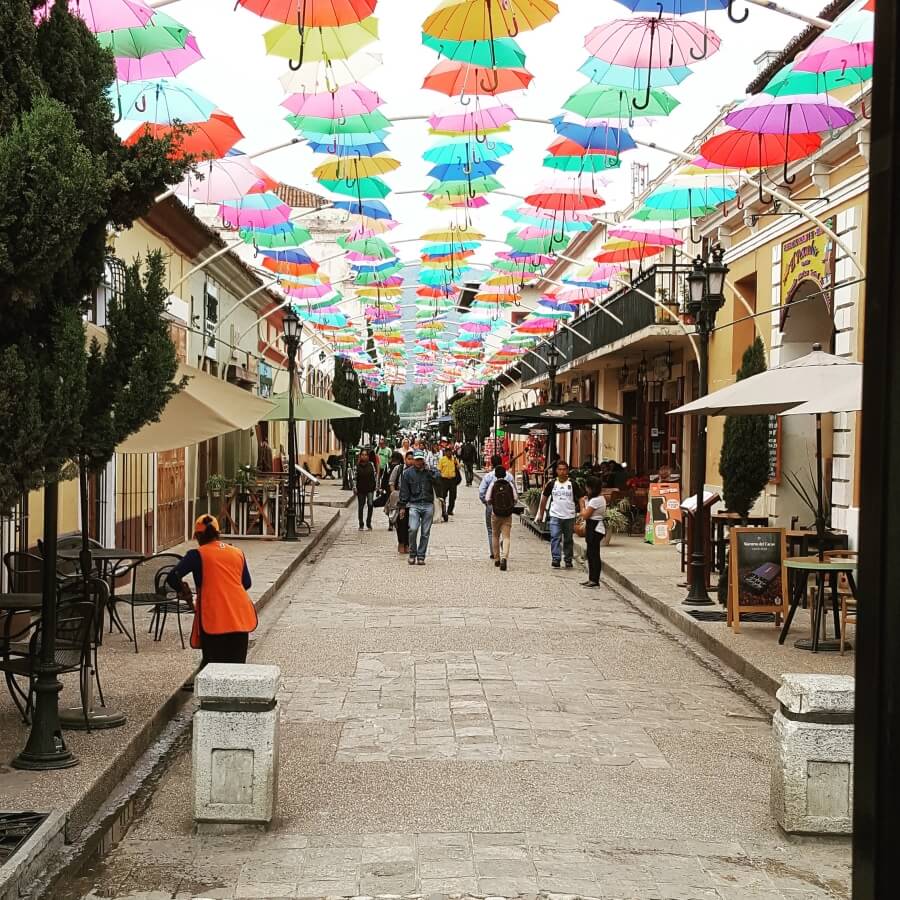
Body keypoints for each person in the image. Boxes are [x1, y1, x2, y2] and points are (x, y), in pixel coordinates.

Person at [166, 515, 257, 666]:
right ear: (218, 533)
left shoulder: (196, 555)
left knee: (214, 667)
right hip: (240, 616)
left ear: (197, 536)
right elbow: (246, 583)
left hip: (214, 618)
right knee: (237, 668)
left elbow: (172, 577)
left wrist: (183, 590)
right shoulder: (237, 552)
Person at [537, 460, 584, 569]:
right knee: (555, 537)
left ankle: (568, 559)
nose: (562, 472)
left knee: (568, 539)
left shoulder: (572, 483)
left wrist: (582, 511)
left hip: (569, 516)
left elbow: (581, 497)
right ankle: (556, 558)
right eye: (560, 469)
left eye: (564, 469)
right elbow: (544, 499)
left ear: (567, 470)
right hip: (555, 515)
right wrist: (540, 513)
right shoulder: (552, 483)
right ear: (557, 471)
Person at [399, 449, 438, 566]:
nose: (418, 462)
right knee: (413, 529)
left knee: (425, 532)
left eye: (421, 459)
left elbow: (438, 479)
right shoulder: (407, 473)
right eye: (417, 459)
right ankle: (412, 554)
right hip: (414, 504)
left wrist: (429, 470)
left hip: (427, 504)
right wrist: (402, 506)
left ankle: (421, 556)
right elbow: (404, 491)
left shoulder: (429, 471)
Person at [486, 463, 517, 571]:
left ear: (495, 474)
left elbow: (487, 498)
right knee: (506, 537)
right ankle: (505, 558)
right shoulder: (509, 485)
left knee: (495, 535)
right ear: (505, 474)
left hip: (496, 513)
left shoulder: (493, 484)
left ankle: (497, 559)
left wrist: (493, 503)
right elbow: (516, 498)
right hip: (507, 514)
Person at [581, 476, 607, 588]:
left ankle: (594, 580)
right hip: (593, 527)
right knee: (591, 554)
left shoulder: (596, 500)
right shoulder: (597, 499)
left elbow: (585, 515)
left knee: (594, 555)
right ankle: (592, 578)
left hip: (595, 527)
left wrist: (581, 504)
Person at [478, 454, 505, 559]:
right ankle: (503, 543)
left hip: (492, 505)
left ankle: (494, 552)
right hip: (505, 506)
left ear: (492, 463)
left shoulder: (488, 476)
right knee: (504, 529)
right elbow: (514, 493)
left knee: (491, 530)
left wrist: (486, 502)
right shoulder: (509, 476)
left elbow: (481, 492)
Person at [388, 451, 413, 554]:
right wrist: (394, 494)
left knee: (409, 524)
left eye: (412, 459)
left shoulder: (416, 470)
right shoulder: (398, 469)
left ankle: (407, 543)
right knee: (400, 523)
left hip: (411, 501)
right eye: (409, 459)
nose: (410, 461)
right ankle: (401, 543)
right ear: (405, 459)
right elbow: (391, 482)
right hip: (400, 500)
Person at [354, 449, 378, 530]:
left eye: (366, 455)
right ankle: (361, 523)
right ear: (360, 456)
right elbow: (355, 478)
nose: (364, 456)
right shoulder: (357, 466)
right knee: (361, 506)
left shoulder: (371, 465)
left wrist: (376, 485)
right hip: (360, 488)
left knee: (370, 504)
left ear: (368, 456)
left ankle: (368, 522)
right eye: (362, 455)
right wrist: (354, 487)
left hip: (370, 488)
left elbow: (374, 476)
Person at [436, 445, 460, 521]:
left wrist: (457, 463)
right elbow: (439, 470)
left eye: (450, 452)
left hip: (452, 480)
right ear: (445, 453)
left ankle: (450, 510)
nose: (449, 453)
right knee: (443, 496)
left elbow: (459, 467)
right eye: (447, 452)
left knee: (453, 496)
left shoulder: (454, 459)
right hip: (444, 480)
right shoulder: (442, 460)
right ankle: (443, 510)